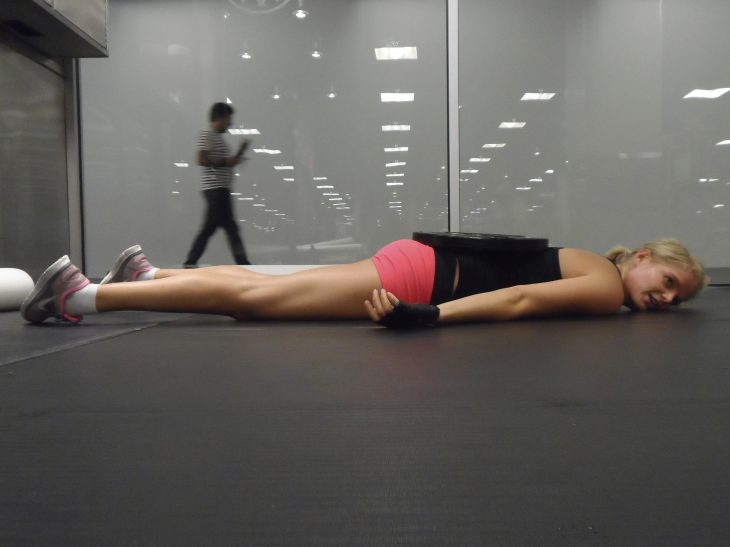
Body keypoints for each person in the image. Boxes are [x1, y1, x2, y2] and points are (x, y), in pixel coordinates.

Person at [20, 237, 709, 328]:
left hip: (422, 256)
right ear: (642, 254)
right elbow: (520, 297)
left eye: (676, 296)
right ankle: (87, 295)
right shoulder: (603, 285)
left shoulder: (592, 259)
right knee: (257, 301)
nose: (665, 295)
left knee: (264, 283)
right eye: (669, 278)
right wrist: (429, 316)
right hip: (427, 274)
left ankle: (149, 272)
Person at [183, 102, 251, 267]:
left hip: (220, 188)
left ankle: (191, 261)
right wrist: (226, 161)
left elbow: (229, 162)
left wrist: (240, 153)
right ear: (220, 117)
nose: (230, 123)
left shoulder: (217, 137)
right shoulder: (207, 134)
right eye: (228, 119)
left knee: (221, 228)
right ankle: (243, 264)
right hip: (215, 189)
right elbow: (201, 159)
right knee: (221, 228)